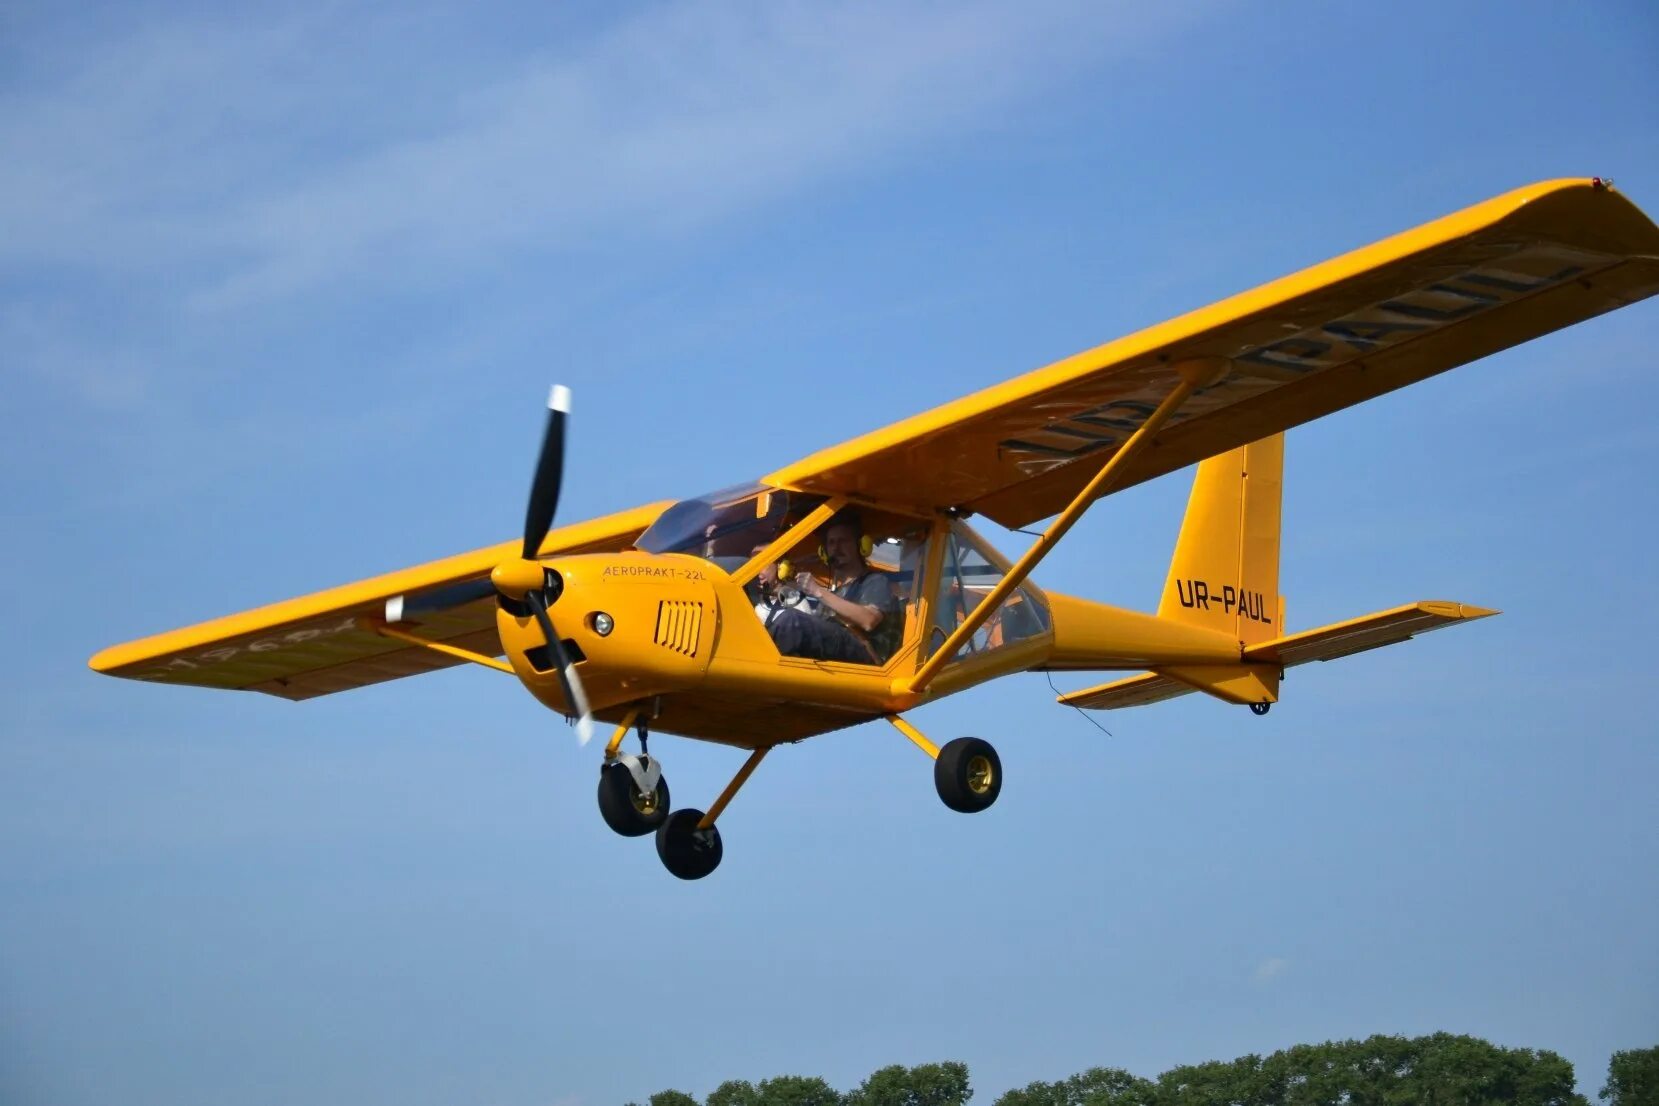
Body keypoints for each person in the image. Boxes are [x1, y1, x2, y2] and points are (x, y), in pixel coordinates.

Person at [764, 512, 901, 665]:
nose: (836, 548)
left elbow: (869, 620)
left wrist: (818, 592)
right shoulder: (832, 596)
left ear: (862, 545)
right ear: (824, 551)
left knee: (792, 621)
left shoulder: (875, 581)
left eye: (843, 541)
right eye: (831, 543)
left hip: (870, 663)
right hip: (837, 663)